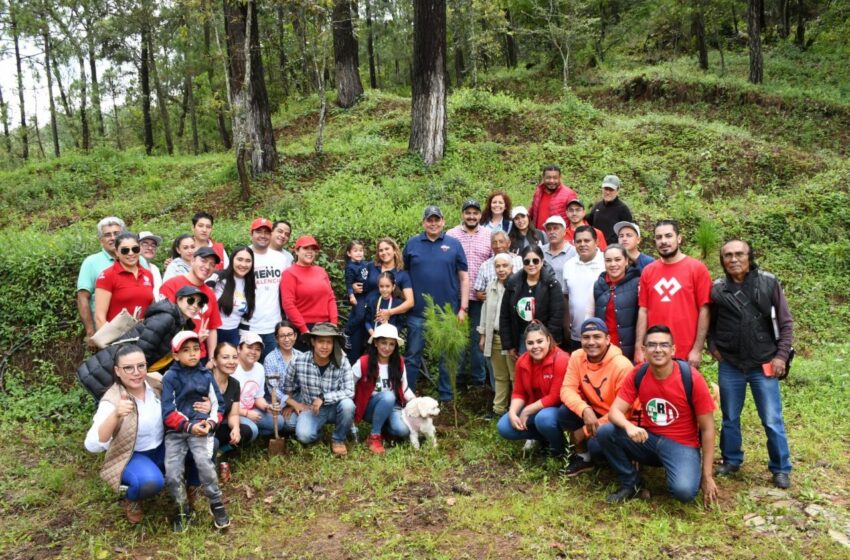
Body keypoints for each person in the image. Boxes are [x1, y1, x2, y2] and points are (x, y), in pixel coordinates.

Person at [84, 344, 211, 524]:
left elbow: (185, 398)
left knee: (202, 447)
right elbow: (92, 445)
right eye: (128, 368)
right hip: (132, 455)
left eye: (141, 366)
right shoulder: (112, 400)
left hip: (163, 446)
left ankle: (192, 488)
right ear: (117, 371)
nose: (136, 372)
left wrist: (206, 405)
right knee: (151, 482)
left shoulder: (157, 383)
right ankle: (132, 497)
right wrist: (116, 415)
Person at [596, 325, 718, 505]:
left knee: (684, 492)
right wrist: (629, 426)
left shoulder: (691, 378)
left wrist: (707, 475)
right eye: (652, 345)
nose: (658, 350)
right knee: (606, 432)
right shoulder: (639, 373)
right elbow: (615, 412)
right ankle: (632, 483)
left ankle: (684, 468)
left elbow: (708, 429)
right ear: (644, 350)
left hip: (681, 444)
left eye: (664, 345)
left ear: (673, 349)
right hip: (649, 440)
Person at [709, 240, 793, 489]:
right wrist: (713, 348)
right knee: (729, 417)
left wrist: (781, 356)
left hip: (763, 362)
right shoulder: (717, 289)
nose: (734, 259)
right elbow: (710, 323)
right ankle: (731, 459)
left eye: (739, 254)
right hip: (731, 363)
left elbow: (786, 323)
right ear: (722, 259)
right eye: (728, 255)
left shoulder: (768, 282)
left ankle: (780, 467)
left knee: (771, 418)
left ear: (750, 256)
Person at [77, 285, 203, 401]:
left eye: (200, 304)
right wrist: (139, 378)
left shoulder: (182, 326)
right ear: (179, 300)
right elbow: (142, 349)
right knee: (111, 415)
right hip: (109, 370)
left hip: (129, 372)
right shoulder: (166, 318)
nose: (195, 306)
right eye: (191, 301)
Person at [161, 331, 229, 531]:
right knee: (172, 472)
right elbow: (167, 411)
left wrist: (209, 423)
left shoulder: (206, 375)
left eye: (196, 349)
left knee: (205, 464)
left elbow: (219, 406)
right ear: (175, 355)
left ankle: (216, 503)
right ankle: (182, 508)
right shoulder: (170, 377)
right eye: (186, 350)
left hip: (201, 429)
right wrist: (188, 426)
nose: (192, 354)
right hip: (175, 432)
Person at [403, 205, 469, 402]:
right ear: (423, 222)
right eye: (429, 220)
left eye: (436, 219)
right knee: (412, 356)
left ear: (443, 221)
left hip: (448, 312)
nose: (433, 223)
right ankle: (408, 396)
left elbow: (464, 278)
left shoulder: (454, 244)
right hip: (417, 313)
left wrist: (463, 308)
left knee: (446, 358)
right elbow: (403, 275)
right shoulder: (412, 244)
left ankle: (447, 398)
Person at [558, 318, 634, 476]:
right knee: (565, 412)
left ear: (607, 339)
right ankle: (583, 459)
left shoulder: (622, 365)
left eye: (597, 336)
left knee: (596, 446)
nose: (591, 342)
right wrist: (585, 409)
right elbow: (567, 389)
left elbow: (626, 412)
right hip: (594, 410)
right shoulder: (577, 356)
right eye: (586, 337)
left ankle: (623, 463)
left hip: (619, 419)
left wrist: (584, 431)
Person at [634, 220, 711, 367]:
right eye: (659, 237)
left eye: (668, 236)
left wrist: (697, 349)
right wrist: (639, 346)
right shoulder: (648, 271)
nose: (663, 241)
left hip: (685, 351)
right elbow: (643, 310)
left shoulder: (697, 269)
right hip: (654, 350)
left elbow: (705, 310)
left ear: (679, 238)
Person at [497, 323, 570, 457]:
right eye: (530, 343)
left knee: (544, 419)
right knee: (504, 427)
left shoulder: (561, 358)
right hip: (534, 408)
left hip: (556, 409)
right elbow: (519, 392)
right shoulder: (522, 361)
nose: (535, 347)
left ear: (548, 340)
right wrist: (513, 412)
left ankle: (560, 450)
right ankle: (544, 438)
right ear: (525, 344)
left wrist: (527, 410)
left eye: (540, 341)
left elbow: (555, 396)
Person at [282, 323, 355, 456]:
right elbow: (288, 385)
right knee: (303, 436)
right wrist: (291, 403)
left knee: (348, 405)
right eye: (321, 341)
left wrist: (324, 398)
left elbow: (349, 390)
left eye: (329, 342)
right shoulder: (299, 361)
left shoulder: (342, 361)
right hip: (310, 408)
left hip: (335, 407)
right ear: (313, 342)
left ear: (334, 344)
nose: (325, 346)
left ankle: (338, 438)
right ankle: (317, 431)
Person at [447, 199, 492, 387]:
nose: (471, 216)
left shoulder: (489, 235)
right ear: (462, 214)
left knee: (476, 341)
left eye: (475, 213)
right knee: (455, 340)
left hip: (479, 299)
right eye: (468, 213)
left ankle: (477, 381)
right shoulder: (451, 235)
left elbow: (494, 265)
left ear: (480, 215)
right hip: (454, 296)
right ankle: (455, 379)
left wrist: (488, 291)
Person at [346, 237, 414, 363]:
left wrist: (390, 312)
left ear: (394, 250)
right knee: (354, 355)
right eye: (380, 250)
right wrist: (353, 287)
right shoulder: (371, 267)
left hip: (383, 322)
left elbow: (410, 302)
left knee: (377, 360)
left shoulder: (402, 274)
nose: (384, 252)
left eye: (387, 249)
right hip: (363, 315)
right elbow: (352, 277)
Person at [353, 324, 415, 453]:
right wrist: (349, 409)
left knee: (402, 431)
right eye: (383, 343)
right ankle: (374, 436)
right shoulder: (363, 362)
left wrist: (416, 402)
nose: (387, 348)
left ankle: (383, 429)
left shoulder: (398, 362)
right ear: (375, 343)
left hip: (392, 406)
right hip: (369, 407)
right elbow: (349, 385)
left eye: (392, 344)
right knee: (388, 396)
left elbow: (404, 388)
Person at [500, 245, 564, 358]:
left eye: (535, 260)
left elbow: (557, 316)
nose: (531, 264)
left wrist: (551, 340)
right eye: (527, 261)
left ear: (542, 261)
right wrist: (509, 345)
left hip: (544, 340)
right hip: (520, 339)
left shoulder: (552, 284)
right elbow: (505, 316)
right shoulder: (512, 283)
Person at [160, 247, 222, 360]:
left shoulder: (210, 293)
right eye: (203, 261)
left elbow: (212, 328)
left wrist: (212, 358)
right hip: (172, 356)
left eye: (212, 264)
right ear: (193, 260)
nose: (207, 267)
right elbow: (162, 324)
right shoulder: (172, 285)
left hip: (199, 356)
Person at [77, 217, 127, 349]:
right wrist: (90, 331)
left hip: (136, 329)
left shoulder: (136, 258)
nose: (112, 238)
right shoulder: (91, 262)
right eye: (107, 235)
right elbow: (83, 297)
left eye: (117, 233)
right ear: (101, 240)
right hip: (105, 331)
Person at [281, 235, 339, 346]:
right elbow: (288, 304)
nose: (310, 252)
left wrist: (333, 323)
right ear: (297, 251)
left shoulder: (321, 271)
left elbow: (330, 298)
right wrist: (304, 329)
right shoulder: (289, 273)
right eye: (306, 248)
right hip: (303, 328)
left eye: (313, 249)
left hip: (325, 327)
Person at [249, 217, 293, 359]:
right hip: (249, 325)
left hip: (273, 323)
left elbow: (289, 288)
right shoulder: (244, 255)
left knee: (272, 367)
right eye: (259, 232)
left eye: (266, 232)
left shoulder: (281, 259)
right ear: (251, 234)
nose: (263, 235)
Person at [478, 253, 516, 418]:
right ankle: (499, 409)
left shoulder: (517, 285)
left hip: (511, 340)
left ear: (511, 267)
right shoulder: (492, 286)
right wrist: (483, 334)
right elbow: (485, 311)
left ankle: (516, 410)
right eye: (498, 266)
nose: (501, 269)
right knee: (500, 376)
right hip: (494, 337)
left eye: (504, 266)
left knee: (515, 377)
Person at [94, 232, 155, 330]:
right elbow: (99, 317)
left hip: (144, 337)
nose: (131, 253)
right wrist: (107, 343)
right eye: (125, 250)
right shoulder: (107, 276)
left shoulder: (148, 274)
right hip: (117, 339)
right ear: (117, 252)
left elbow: (151, 307)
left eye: (135, 249)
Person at [232, 332, 286, 438]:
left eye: (257, 349)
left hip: (252, 409)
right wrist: (246, 413)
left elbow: (258, 397)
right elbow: (225, 404)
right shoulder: (231, 368)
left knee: (279, 422)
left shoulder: (259, 368)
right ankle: (235, 438)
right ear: (239, 349)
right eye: (249, 347)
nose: (253, 352)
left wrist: (266, 407)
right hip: (233, 413)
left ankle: (249, 432)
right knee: (252, 430)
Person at [593, 244, 641, 361]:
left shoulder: (638, 283)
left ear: (626, 261)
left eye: (618, 259)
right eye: (608, 260)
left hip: (628, 351)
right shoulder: (598, 285)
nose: (613, 264)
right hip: (604, 350)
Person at [563, 226, 605, 352]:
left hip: (601, 333)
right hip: (576, 333)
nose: (582, 244)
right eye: (579, 241)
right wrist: (566, 323)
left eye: (587, 241)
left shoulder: (606, 262)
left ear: (596, 242)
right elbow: (566, 295)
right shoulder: (569, 265)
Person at [210, 342, 254, 455]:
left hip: (219, 426)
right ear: (214, 361)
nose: (231, 362)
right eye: (225, 357)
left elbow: (233, 414)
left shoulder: (234, 384)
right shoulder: (205, 380)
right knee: (212, 442)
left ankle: (221, 452)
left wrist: (235, 428)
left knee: (246, 431)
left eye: (235, 357)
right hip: (203, 427)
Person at [209, 245, 256, 347]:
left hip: (234, 334)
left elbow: (246, 317)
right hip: (212, 333)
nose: (243, 264)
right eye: (239, 259)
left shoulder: (250, 284)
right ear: (232, 259)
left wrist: (243, 341)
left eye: (248, 261)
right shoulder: (218, 277)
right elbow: (205, 296)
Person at [473, 230, 523, 301]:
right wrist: (480, 295)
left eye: (501, 242)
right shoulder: (485, 265)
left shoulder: (519, 260)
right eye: (494, 242)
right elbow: (479, 291)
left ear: (508, 243)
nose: (498, 245)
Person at [587, 175, 634, 245]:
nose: (608, 192)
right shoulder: (597, 206)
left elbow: (629, 233)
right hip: (596, 249)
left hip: (614, 250)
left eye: (611, 189)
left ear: (617, 191)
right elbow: (588, 222)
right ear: (602, 189)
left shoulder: (623, 209)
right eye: (606, 189)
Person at [528, 165, 578, 230]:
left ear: (560, 178)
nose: (552, 181)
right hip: (538, 236)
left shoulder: (569, 194)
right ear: (543, 178)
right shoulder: (538, 193)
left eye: (555, 178)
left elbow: (576, 217)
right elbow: (531, 213)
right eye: (548, 178)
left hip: (559, 237)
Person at [541, 215, 577, 294]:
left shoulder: (574, 252)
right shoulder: (540, 251)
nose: (552, 232)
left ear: (564, 232)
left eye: (556, 228)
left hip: (566, 297)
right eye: (549, 229)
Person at [364, 271, 407, 336]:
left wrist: (393, 335)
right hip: (375, 338)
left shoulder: (398, 303)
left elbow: (400, 323)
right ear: (378, 286)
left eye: (387, 286)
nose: (384, 289)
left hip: (391, 339)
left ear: (393, 286)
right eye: (381, 286)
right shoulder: (372, 301)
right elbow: (367, 321)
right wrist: (372, 334)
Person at [344, 240, 369, 308]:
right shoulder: (350, 267)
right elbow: (348, 283)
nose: (359, 253)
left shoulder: (365, 263)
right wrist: (351, 296)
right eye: (355, 251)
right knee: (360, 314)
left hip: (368, 292)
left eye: (361, 251)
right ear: (349, 253)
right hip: (359, 295)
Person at [138, 231, 164, 298]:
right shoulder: (132, 268)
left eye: (153, 245)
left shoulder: (155, 269)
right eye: (145, 244)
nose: (150, 248)